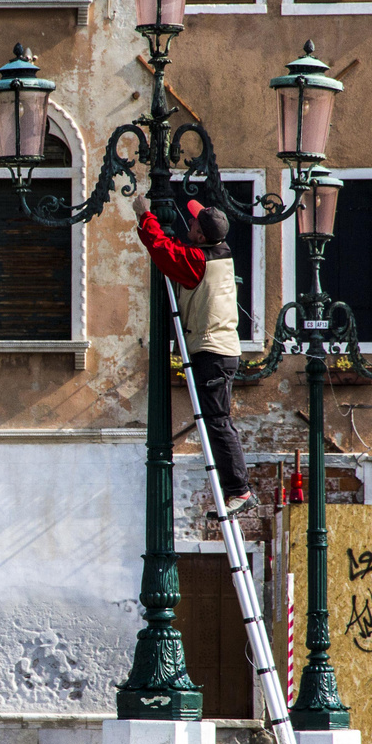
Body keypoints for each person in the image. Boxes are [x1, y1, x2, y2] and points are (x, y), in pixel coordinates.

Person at [134, 194, 255, 516]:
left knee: (217, 422)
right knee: (217, 420)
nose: (189, 222)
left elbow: (161, 250)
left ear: (201, 236)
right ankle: (237, 489)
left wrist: (144, 215)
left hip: (211, 352)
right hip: (218, 350)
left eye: (194, 223)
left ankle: (240, 491)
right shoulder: (215, 254)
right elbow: (177, 251)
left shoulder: (196, 261)